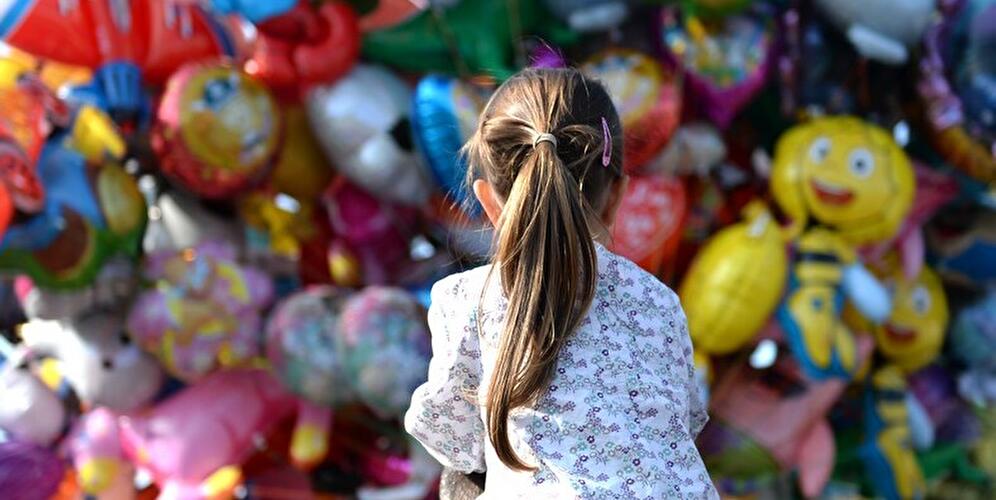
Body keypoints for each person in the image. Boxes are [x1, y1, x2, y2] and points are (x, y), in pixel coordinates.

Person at [405, 68, 717, 499]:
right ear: (617, 197)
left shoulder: (465, 299)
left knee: (460, 480)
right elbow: (680, 422)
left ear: (489, 203)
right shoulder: (659, 302)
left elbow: (450, 435)